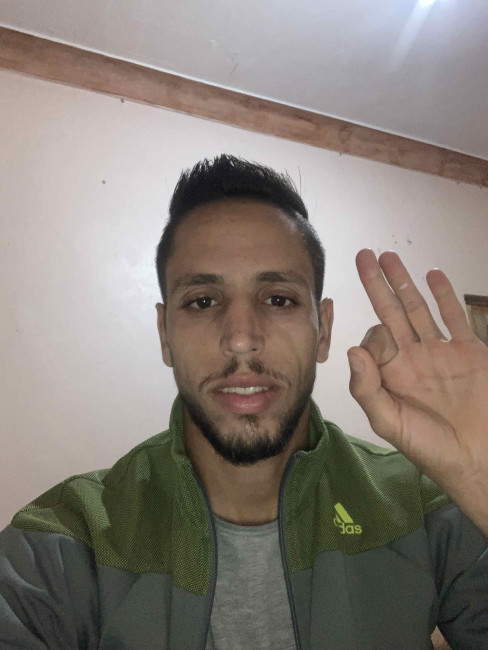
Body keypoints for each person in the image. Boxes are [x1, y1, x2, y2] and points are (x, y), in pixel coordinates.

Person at [1, 154, 487, 649]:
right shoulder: (68, 538)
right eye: (202, 301)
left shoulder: (423, 505)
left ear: (323, 331)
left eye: (278, 299)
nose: (240, 339)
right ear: (165, 336)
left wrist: (482, 476)